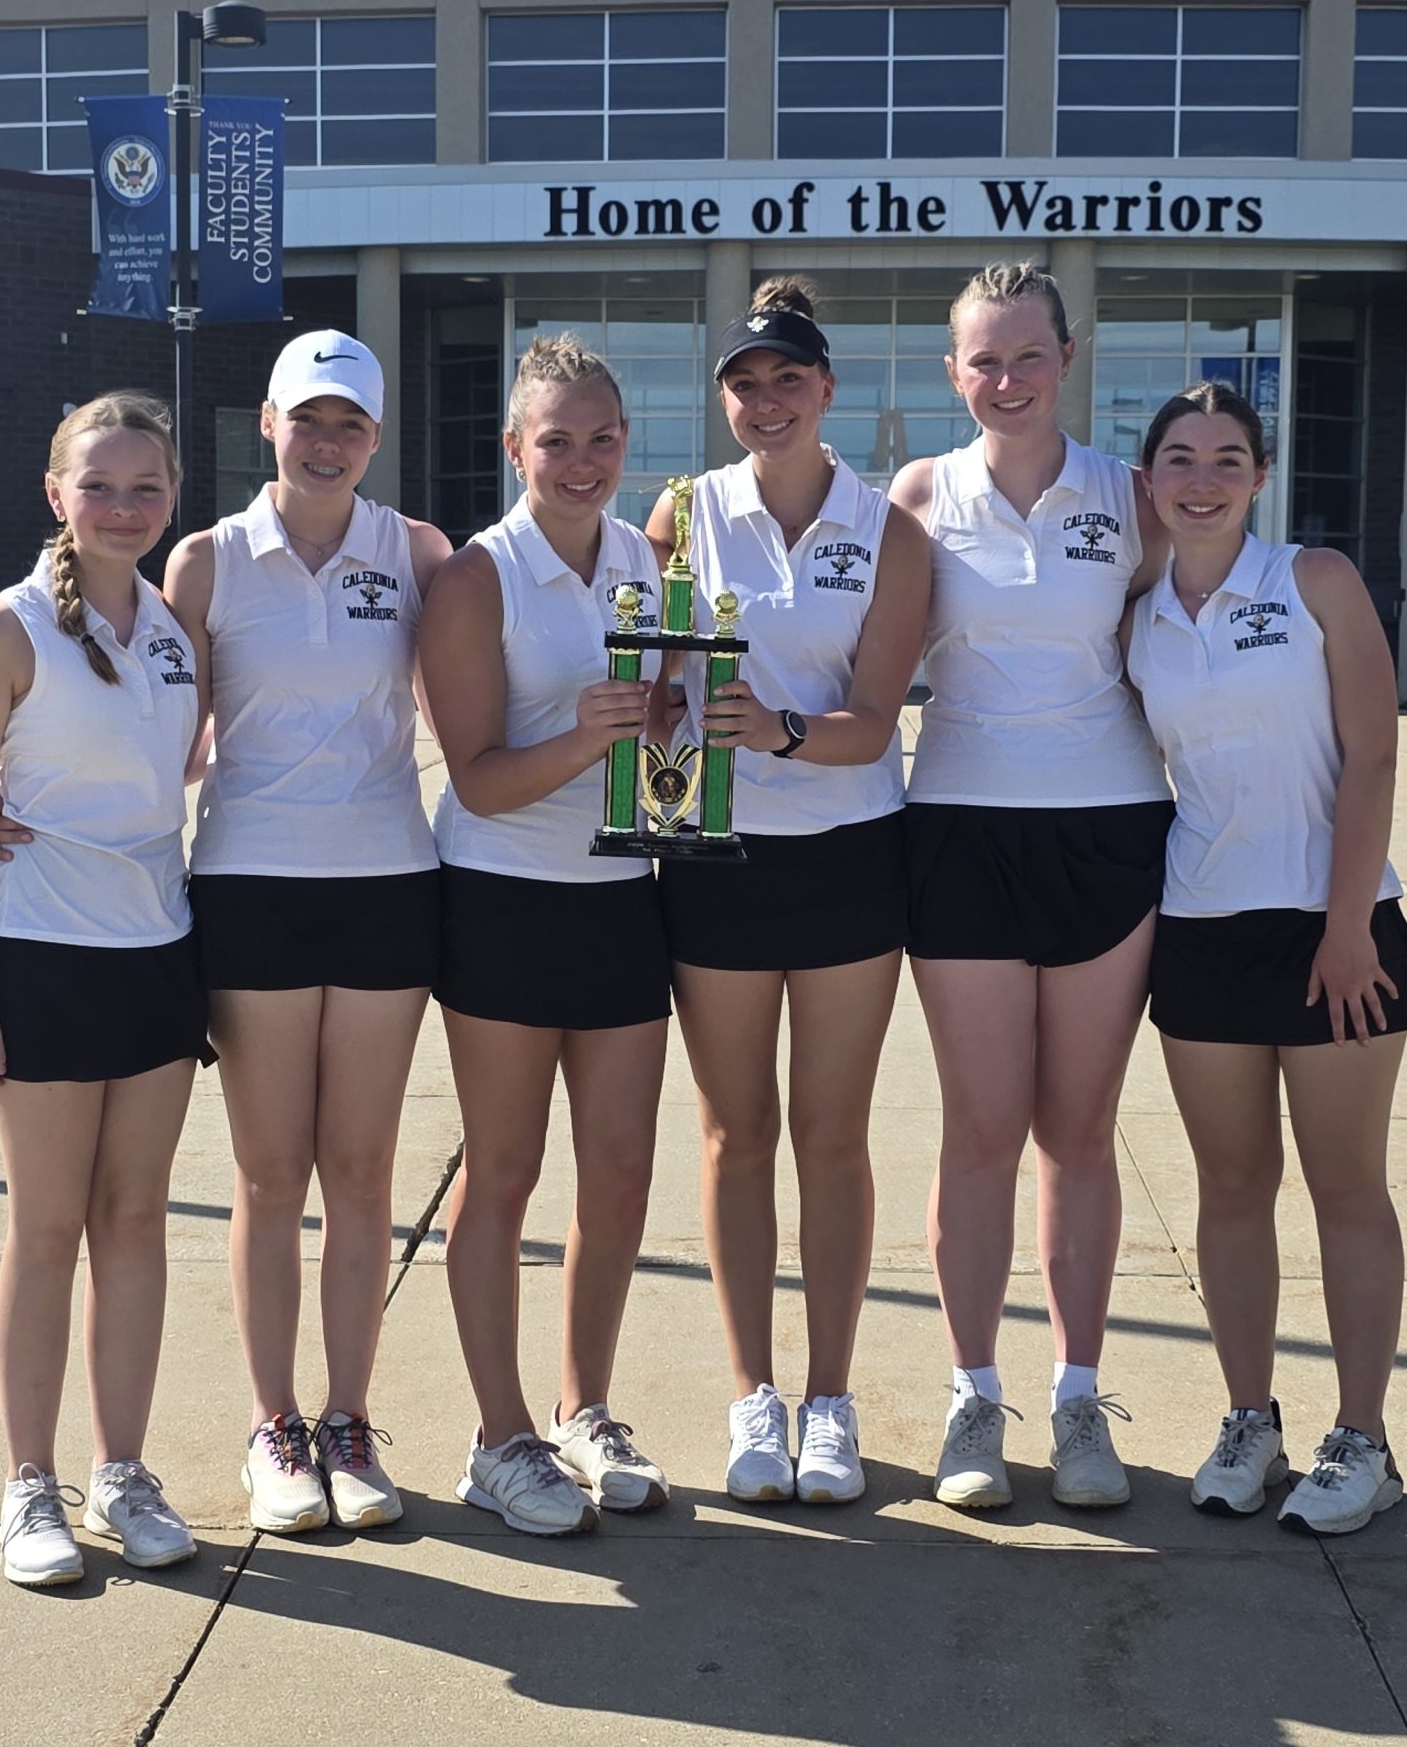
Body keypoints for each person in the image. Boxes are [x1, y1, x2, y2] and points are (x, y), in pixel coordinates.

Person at [1121, 380, 1407, 1537]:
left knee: (1346, 1187)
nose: (1200, 480)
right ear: (1147, 479)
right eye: (1179, 460)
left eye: (1225, 459)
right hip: (1201, 932)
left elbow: (1374, 760)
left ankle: (1363, 1438)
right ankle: (1249, 1418)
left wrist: (1347, 926)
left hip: (1334, 931)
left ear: (1259, 476)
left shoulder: (1314, 581)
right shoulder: (1137, 608)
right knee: (1231, 1190)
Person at [886, 262, 1171, 1510]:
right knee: (982, 1131)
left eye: (1027, 356)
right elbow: (864, 654)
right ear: (952, 372)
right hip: (955, 830)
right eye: (981, 360)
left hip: (1108, 830)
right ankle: (972, 1397)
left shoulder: (1131, 497)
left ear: (1071, 357)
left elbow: (1182, 650)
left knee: (1078, 1133)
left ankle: (1076, 1398)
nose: (1005, 381)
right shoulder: (917, 495)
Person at [164, 330, 451, 1534]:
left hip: (388, 882)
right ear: (270, 426)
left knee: (365, 1173)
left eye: (351, 425)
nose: (327, 443)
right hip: (253, 888)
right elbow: (158, 735)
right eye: (308, 419)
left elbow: (477, 708)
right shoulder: (207, 559)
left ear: (374, 440)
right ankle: (272, 1425)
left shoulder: (421, 552)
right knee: (272, 1173)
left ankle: (347, 1420)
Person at [651, 277, 929, 1505]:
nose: (766, 402)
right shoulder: (679, 516)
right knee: (732, 1133)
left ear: (827, 392)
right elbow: (652, 684)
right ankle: (751, 1396)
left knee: (829, 1133)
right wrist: (660, 736)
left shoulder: (892, 530)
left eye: (787, 382)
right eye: (744, 385)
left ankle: (829, 1399)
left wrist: (770, 731)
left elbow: (871, 729)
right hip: (710, 856)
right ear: (726, 402)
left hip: (848, 857)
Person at [0, 391, 208, 1586]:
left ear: (173, 498)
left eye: (145, 487)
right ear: (56, 494)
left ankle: (123, 1473)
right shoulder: (3, 633)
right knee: (47, 1231)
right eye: (99, 485)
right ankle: (29, 1487)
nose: (123, 507)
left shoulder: (170, 628)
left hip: (160, 957)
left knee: (135, 1223)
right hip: (38, 962)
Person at [417, 336, 671, 1537]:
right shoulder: (477, 577)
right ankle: (498, 1435)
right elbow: (474, 780)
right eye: (555, 439)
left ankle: (585, 1408)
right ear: (514, 447)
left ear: (627, 442)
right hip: (504, 897)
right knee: (504, 1172)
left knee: (620, 1167)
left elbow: (660, 741)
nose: (580, 460)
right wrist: (589, 737)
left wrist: (684, 734)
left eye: (601, 437)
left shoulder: (644, 557)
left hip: (622, 892)